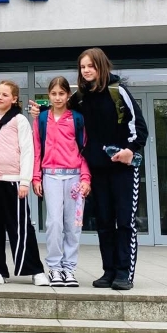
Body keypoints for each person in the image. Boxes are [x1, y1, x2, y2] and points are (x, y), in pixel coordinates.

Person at [70, 48, 148, 291]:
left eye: (90, 66)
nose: (86, 70)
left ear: (101, 66)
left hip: (123, 168)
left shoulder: (118, 90)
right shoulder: (81, 96)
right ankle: (109, 271)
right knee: (104, 222)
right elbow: (63, 112)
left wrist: (130, 150)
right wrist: (40, 111)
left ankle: (124, 273)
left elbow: (140, 126)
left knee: (124, 221)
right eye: (83, 67)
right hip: (98, 168)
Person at [0, 81, 48, 286]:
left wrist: (25, 181)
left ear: (14, 99)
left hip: (13, 181)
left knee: (21, 227)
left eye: (5, 95)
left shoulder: (19, 120)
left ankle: (35, 270)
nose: (0, 97)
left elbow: (27, 151)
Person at [30, 76, 91, 288]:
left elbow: (84, 150)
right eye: (54, 94)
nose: (57, 98)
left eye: (61, 94)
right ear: (49, 95)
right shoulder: (41, 119)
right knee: (54, 223)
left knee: (73, 225)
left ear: (68, 95)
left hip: (74, 177)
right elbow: (37, 150)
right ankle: (54, 267)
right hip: (51, 175)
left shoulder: (77, 119)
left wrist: (86, 178)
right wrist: (36, 177)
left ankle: (69, 268)